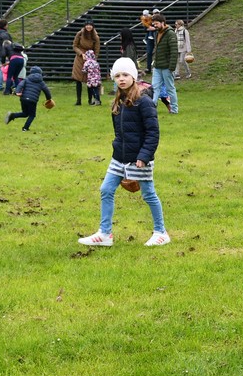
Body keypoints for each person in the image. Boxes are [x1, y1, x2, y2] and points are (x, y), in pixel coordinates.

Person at [78, 57, 169, 248]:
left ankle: (161, 232)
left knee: (148, 194)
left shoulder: (144, 102)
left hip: (139, 158)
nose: (121, 79)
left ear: (133, 77)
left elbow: (153, 132)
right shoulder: (118, 102)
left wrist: (144, 156)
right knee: (106, 190)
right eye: (117, 75)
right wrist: (117, 149)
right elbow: (119, 132)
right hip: (119, 157)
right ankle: (105, 234)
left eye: (125, 74)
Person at [5, 65, 53, 132]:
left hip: (23, 99)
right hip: (32, 100)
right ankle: (25, 128)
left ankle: (12, 115)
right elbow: (46, 91)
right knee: (32, 115)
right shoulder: (41, 82)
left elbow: (20, 85)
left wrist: (17, 92)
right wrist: (49, 99)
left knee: (25, 113)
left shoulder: (27, 79)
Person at [150, 14, 179, 114]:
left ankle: (174, 109)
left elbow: (174, 51)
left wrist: (172, 67)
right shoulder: (157, 33)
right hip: (157, 66)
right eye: (154, 24)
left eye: (156, 24)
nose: (155, 26)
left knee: (170, 88)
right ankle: (152, 108)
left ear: (163, 23)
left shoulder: (170, 34)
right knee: (154, 88)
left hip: (167, 67)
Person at [72, 20, 100, 106]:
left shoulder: (95, 37)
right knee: (78, 80)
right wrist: (81, 54)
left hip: (90, 59)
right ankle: (78, 100)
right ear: (85, 26)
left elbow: (97, 50)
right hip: (80, 58)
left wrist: (93, 60)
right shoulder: (80, 34)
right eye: (87, 25)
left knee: (90, 80)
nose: (88, 27)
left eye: (90, 25)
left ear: (93, 26)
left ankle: (90, 100)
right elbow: (75, 46)